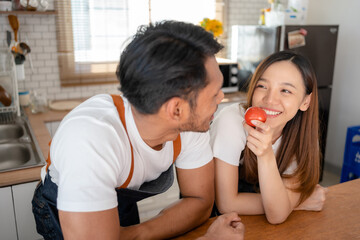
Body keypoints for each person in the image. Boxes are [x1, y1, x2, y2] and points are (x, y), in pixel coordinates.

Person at [31, 20, 244, 239]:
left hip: (120, 207)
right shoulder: (89, 141)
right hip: (63, 209)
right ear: (176, 109)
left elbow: (200, 202)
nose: (222, 98)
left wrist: (134, 235)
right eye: (215, 93)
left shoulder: (191, 125)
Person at [210, 51, 328, 224]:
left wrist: (265, 155)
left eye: (285, 90)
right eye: (262, 86)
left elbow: (277, 217)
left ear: (305, 102)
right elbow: (226, 204)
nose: (270, 100)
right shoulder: (232, 121)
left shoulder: (303, 139)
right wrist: (295, 203)